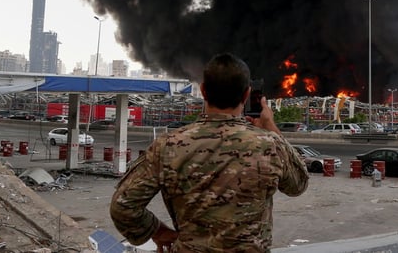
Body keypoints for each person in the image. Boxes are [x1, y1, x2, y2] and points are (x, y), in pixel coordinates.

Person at [110, 52, 309, 252]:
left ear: (203, 91)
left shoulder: (168, 146)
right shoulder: (269, 145)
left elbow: (123, 205)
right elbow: (298, 184)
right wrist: (270, 125)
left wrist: (158, 231)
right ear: (247, 94)